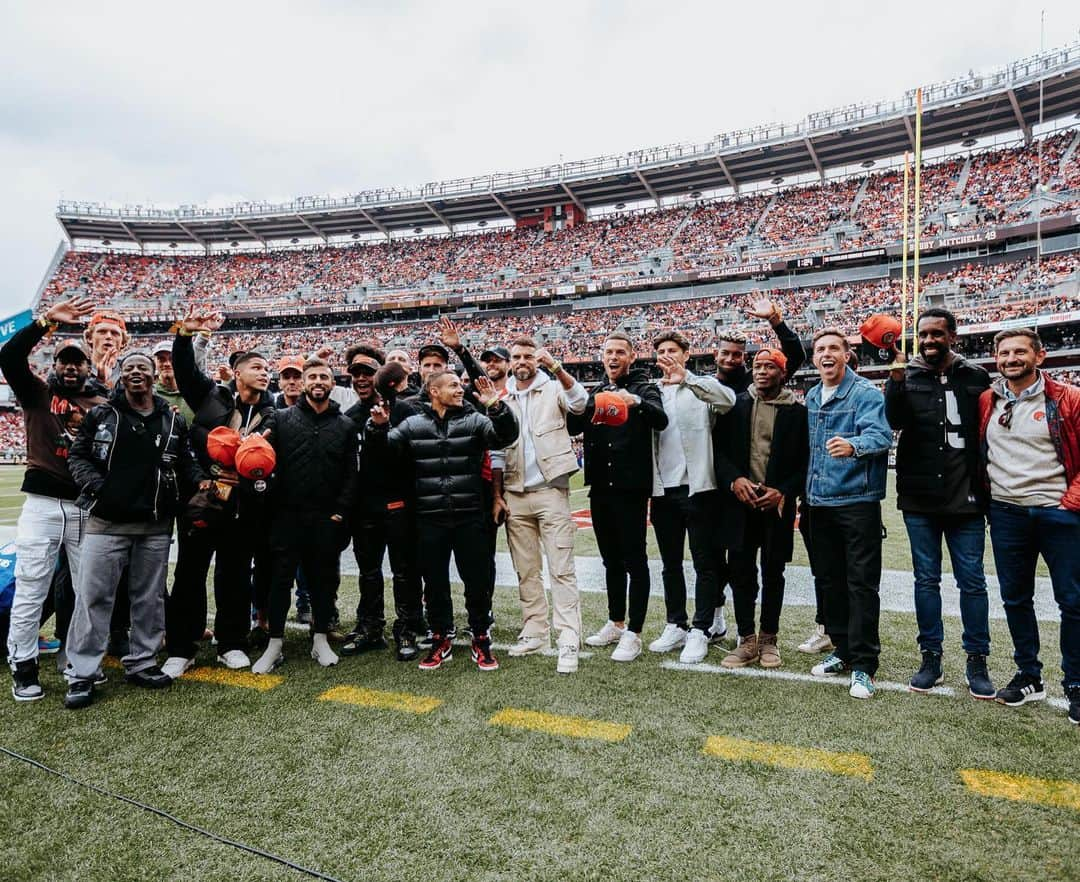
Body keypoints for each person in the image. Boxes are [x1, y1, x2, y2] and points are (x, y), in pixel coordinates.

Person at [63, 351, 204, 709]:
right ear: (120, 376)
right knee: (94, 597)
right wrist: (99, 487)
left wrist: (202, 483)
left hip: (155, 524)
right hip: (106, 523)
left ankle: (142, 662)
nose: (136, 372)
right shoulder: (101, 415)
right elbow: (78, 456)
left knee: (150, 598)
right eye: (129, 368)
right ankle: (82, 672)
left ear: (155, 376)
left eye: (143, 367)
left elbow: (185, 461)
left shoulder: (172, 420)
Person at [367, 371, 517, 671]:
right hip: (429, 518)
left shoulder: (475, 419)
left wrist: (496, 406)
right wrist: (378, 428)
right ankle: (441, 637)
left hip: (469, 516)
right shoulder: (412, 424)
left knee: (476, 582)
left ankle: (480, 637)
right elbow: (383, 457)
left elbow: (506, 436)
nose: (460, 389)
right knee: (434, 584)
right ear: (434, 391)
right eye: (453, 385)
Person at [1, 296, 108, 701]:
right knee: (32, 585)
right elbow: (8, 356)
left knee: (87, 589)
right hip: (43, 504)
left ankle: (80, 660)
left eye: (77, 361)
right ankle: (23, 664)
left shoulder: (101, 405)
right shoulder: (36, 393)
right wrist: (45, 322)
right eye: (63, 360)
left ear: (85, 368)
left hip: (85, 507)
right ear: (55, 366)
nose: (69, 366)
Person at [160, 310, 277, 679]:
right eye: (256, 366)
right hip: (202, 497)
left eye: (266, 368)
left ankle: (231, 643)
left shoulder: (274, 413)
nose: (264, 372)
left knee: (235, 575)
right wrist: (184, 335)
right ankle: (182, 647)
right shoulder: (211, 397)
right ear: (238, 372)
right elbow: (184, 371)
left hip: (243, 506)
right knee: (190, 574)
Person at [885, 308, 994, 699]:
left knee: (973, 581)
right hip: (920, 496)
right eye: (923, 335)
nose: (929, 340)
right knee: (926, 581)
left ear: (953, 335)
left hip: (965, 497)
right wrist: (896, 381)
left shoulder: (975, 375)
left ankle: (976, 659)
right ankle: (930, 657)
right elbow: (894, 421)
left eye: (937, 334)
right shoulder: (906, 375)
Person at [979, 328, 1080, 725]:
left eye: (1020, 351)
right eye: (1004, 353)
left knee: (1072, 601)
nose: (1011, 358)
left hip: (1058, 512)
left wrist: (1069, 503)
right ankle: (1029, 675)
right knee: (1016, 598)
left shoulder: (1067, 397)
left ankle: (1075, 682)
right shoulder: (989, 399)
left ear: (1040, 356)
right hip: (1007, 513)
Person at [252, 359, 357, 674]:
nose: (318, 381)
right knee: (280, 580)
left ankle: (320, 638)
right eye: (312, 376)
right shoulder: (281, 419)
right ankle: (275, 644)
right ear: (305, 382)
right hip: (287, 515)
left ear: (332, 382)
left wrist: (340, 512)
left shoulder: (345, 425)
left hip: (326, 517)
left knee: (322, 581)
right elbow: (260, 457)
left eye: (324, 376)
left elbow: (352, 473)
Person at [711, 296, 806, 642]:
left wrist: (783, 490)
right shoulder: (736, 403)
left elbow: (803, 460)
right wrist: (733, 479)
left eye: (771, 366)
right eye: (758, 365)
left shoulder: (797, 411)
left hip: (775, 504)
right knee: (740, 569)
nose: (762, 370)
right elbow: (718, 450)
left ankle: (769, 637)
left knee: (774, 571)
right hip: (740, 500)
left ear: (783, 373)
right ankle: (745, 636)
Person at [804, 328, 892, 700]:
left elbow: (882, 436)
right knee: (829, 582)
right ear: (814, 357)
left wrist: (853, 445)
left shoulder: (866, 392)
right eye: (820, 349)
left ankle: (863, 665)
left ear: (846, 354)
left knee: (860, 584)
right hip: (817, 502)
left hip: (856, 502)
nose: (826, 354)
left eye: (833, 348)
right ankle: (841, 648)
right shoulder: (810, 394)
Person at [491, 337, 587, 674]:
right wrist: (498, 495)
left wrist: (558, 369)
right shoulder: (503, 397)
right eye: (515, 356)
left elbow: (580, 403)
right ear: (509, 362)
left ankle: (568, 637)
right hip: (516, 493)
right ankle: (535, 631)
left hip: (550, 490)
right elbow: (498, 451)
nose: (521, 361)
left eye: (527, 356)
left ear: (537, 359)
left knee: (561, 567)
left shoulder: (552, 387)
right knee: (526, 570)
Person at [576, 332, 668, 662]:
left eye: (619, 352)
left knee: (634, 560)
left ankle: (635, 632)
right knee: (610, 560)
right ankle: (616, 621)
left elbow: (661, 419)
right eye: (608, 352)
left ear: (631, 357)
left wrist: (637, 402)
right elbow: (576, 425)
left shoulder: (644, 386)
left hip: (630, 487)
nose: (613, 357)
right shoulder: (597, 391)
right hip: (600, 485)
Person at [646, 330, 734, 662]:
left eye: (673, 350)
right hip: (662, 490)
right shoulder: (653, 391)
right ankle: (676, 623)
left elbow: (728, 401)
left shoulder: (702, 386)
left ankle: (701, 628)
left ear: (686, 353)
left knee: (704, 563)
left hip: (697, 488)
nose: (667, 355)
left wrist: (688, 379)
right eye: (661, 351)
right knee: (670, 563)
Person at [341, 344, 423, 662]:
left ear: (381, 375)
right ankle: (370, 629)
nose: (362, 378)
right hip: (364, 509)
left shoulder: (405, 410)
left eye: (368, 372)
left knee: (404, 572)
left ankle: (406, 630)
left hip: (398, 505)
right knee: (369, 572)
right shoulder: (349, 418)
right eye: (356, 373)